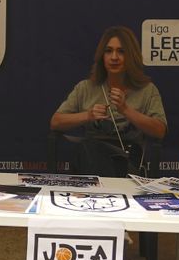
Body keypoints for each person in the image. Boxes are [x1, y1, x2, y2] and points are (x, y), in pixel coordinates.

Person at [49, 25, 166, 175]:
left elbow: (160, 130)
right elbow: (56, 122)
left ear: (131, 56)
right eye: (109, 51)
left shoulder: (147, 90)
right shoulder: (86, 88)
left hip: (128, 164)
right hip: (90, 163)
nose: (114, 57)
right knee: (88, 148)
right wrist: (88, 115)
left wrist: (126, 110)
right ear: (102, 56)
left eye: (121, 52)